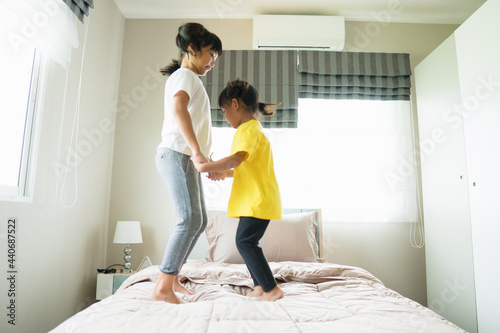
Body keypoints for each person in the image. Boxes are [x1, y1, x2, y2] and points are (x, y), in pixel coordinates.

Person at [193, 79, 284, 302]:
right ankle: (261, 286)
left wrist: (204, 166)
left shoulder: (248, 130)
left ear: (235, 104)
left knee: (245, 242)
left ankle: (271, 288)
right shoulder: (253, 129)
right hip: (258, 199)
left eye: (224, 110)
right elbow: (246, 167)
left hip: (257, 200)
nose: (224, 116)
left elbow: (235, 159)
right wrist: (223, 173)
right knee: (247, 242)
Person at [152, 22, 222, 304]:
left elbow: (197, 125)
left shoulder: (191, 79)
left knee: (200, 219)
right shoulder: (184, 76)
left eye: (216, 58)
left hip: (186, 156)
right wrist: (196, 151)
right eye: (210, 55)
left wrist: (206, 158)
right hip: (177, 154)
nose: (212, 62)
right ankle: (162, 286)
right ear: (192, 48)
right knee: (188, 218)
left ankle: (174, 277)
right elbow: (179, 110)